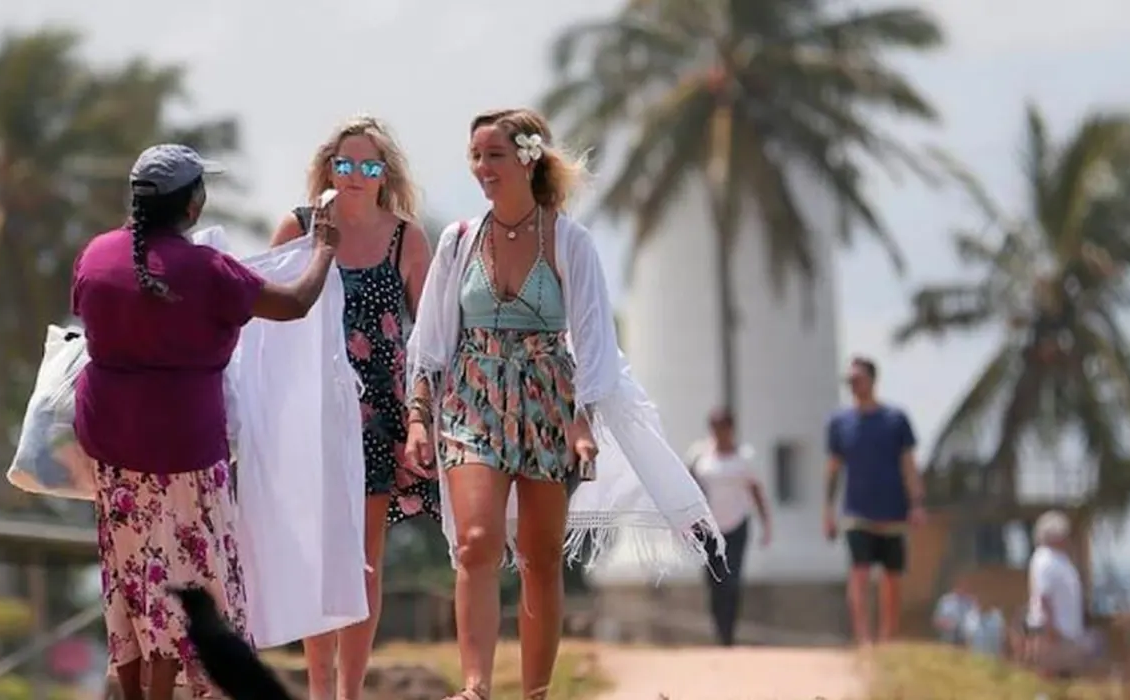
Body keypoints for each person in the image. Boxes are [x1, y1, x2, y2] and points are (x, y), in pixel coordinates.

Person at [405, 108, 718, 700]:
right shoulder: (458, 241)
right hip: (472, 398)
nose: (481, 168)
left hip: (547, 401)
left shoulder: (570, 242)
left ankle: (536, 691)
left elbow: (595, 342)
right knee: (475, 541)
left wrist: (582, 422)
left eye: (494, 155)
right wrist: (420, 415)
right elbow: (431, 340)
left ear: (526, 158)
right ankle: (474, 686)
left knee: (541, 557)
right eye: (475, 156)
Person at [71, 144, 339, 700]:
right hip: (186, 453)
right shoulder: (208, 270)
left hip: (114, 452)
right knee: (191, 582)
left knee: (131, 582)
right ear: (192, 206)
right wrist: (325, 251)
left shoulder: (96, 256)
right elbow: (292, 304)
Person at [268, 115, 439, 700]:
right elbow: (267, 322)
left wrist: (422, 415)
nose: (357, 176)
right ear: (329, 167)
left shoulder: (407, 238)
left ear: (384, 173)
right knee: (318, 555)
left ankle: (350, 693)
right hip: (312, 411)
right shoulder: (298, 226)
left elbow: (430, 335)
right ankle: (319, 690)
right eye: (347, 164)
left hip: (380, 413)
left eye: (369, 166)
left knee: (364, 561)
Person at [823, 356, 925, 645]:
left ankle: (887, 637)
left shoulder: (896, 419)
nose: (853, 385)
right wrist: (828, 511)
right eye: (849, 381)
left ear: (872, 380)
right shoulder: (839, 422)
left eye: (858, 379)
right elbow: (833, 468)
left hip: (893, 510)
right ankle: (864, 639)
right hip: (856, 511)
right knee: (859, 573)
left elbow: (908, 463)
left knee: (891, 579)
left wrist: (916, 502)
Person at [686, 407, 772, 647]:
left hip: (736, 526)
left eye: (723, 426)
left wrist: (766, 524)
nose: (718, 432)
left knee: (732, 580)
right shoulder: (699, 455)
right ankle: (719, 631)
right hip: (708, 529)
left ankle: (729, 632)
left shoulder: (744, 458)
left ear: (731, 429)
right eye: (714, 426)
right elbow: (688, 487)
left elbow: (756, 491)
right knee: (714, 581)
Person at [1024, 510, 1089, 677]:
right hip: (1054, 634)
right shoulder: (1045, 559)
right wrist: (1051, 629)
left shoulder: (1060, 559)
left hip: (1067, 634)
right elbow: (1044, 597)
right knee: (1050, 679)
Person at [931, 576, 976, 645]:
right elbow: (936, 620)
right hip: (947, 639)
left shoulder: (972, 602)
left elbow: (975, 622)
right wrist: (944, 623)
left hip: (965, 641)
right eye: (960, 585)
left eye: (965, 585)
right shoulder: (945, 600)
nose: (963, 587)